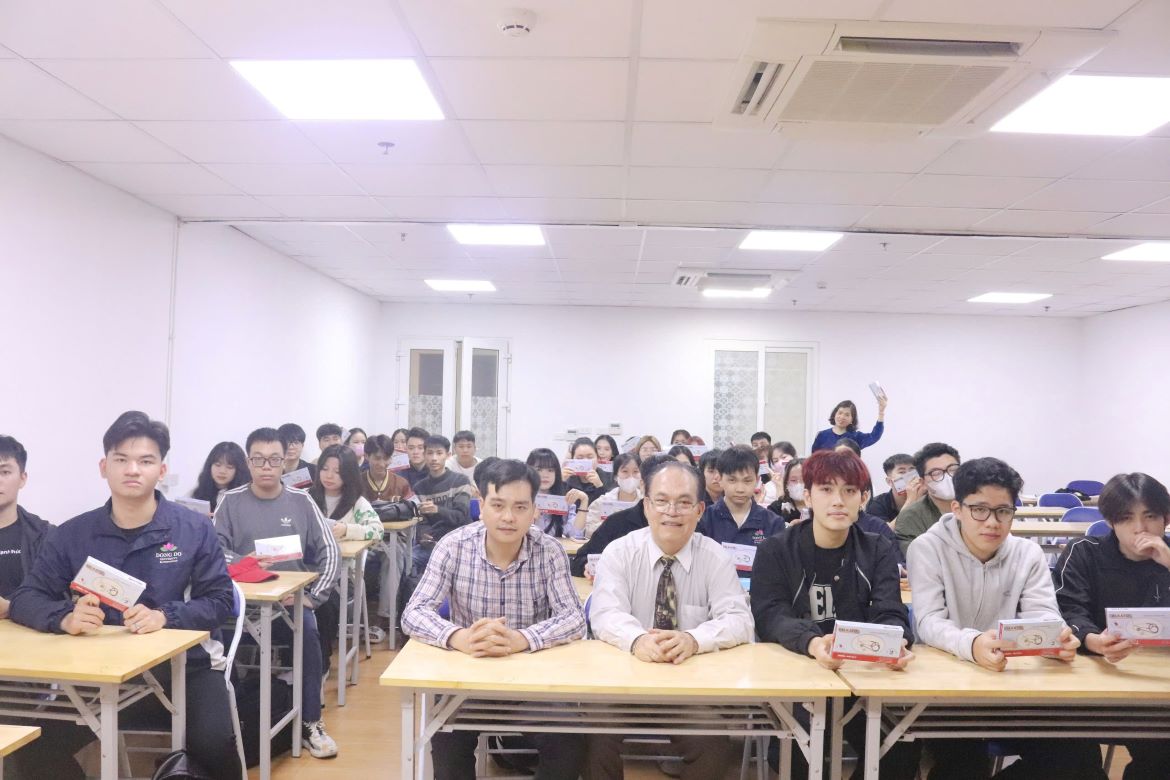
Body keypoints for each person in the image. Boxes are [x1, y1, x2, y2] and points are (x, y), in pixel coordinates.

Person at [7, 412, 241, 780]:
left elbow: (220, 601)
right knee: (33, 748)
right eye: (121, 459)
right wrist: (65, 617)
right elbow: (26, 598)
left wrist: (165, 616)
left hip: (184, 670)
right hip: (99, 676)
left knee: (213, 744)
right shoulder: (73, 534)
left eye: (145, 461)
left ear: (161, 470)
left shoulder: (193, 528)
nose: (132, 470)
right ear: (104, 467)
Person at [907, 457, 1103, 780]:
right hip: (950, 692)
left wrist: (1056, 638)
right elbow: (928, 622)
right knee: (962, 767)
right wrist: (973, 645)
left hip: (1019, 688)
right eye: (979, 510)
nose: (992, 522)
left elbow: (1044, 614)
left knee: (1078, 754)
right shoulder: (928, 548)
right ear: (957, 509)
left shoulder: (1027, 554)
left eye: (1003, 511)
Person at [401, 459, 587, 780]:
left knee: (569, 740)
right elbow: (414, 612)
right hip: (465, 682)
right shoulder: (453, 546)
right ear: (481, 504)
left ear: (534, 510)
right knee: (447, 743)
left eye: (520, 507)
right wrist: (459, 637)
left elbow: (574, 617)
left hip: (531, 682)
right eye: (498, 505)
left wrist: (522, 639)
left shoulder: (549, 551)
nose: (508, 517)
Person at [751, 449, 918, 779]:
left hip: (862, 678)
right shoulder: (776, 549)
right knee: (798, 756)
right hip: (798, 676)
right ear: (808, 496)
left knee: (900, 752)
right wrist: (813, 643)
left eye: (849, 490)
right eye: (826, 489)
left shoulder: (877, 548)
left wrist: (893, 642)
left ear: (862, 498)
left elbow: (891, 611)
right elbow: (770, 616)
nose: (838, 501)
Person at [587, 457, 753, 779]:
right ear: (647, 506)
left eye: (684, 503)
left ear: (700, 510)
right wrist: (637, 640)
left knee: (714, 741)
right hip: (622, 684)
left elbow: (739, 619)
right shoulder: (619, 552)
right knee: (593, 732)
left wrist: (694, 639)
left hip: (689, 687)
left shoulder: (715, 557)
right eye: (661, 501)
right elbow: (605, 613)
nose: (671, 512)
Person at [214, 427, 341, 759]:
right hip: (243, 605)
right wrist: (244, 562)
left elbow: (331, 551)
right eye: (258, 459)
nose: (266, 466)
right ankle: (228, 723)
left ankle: (311, 721)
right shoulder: (230, 500)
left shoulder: (302, 501)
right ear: (248, 462)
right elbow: (214, 551)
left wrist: (313, 597)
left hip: (290, 604)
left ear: (285, 461)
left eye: (274, 459)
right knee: (214, 638)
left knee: (309, 634)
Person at [1054, 472, 1170, 779]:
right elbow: (1067, 609)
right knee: (1073, 761)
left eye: (1150, 516)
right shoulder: (1084, 552)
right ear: (1110, 522)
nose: (1140, 528)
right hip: (1094, 683)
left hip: (1159, 688)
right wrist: (1092, 640)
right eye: (1126, 518)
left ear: (1166, 519)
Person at [308, 444, 384, 674]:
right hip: (308, 571)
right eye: (325, 469)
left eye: (337, 471)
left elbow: (377, 530)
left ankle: (320, 664)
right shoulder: (307, 498)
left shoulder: (356, 503)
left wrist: (347, 529)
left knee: (324, 603)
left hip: (342, 576)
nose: (329, 476)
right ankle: (298, 661)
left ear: (349, 474)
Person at [570, 454, 679, 578]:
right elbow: (579, 561)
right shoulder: (617, 523)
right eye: (662, 486)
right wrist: (589, 566)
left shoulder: (688, 523)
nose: (670, 493)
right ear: (643, 485)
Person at [696, 446, 783, 576]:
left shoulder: (773, 523)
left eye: (747, 481)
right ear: (720, 479)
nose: (740, 489)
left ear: (757, 480)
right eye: (732, 480)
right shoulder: (704, 520)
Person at [0, 436, 49, 620]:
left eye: (4, 472)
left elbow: (59, 597)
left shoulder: (45, 536)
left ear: (22, 478)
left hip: (27, 634)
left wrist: (13, 608)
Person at [411, 435, 474, 577]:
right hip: (433, 545)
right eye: (430, 453)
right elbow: (421, 521)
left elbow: (460, 516)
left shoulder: (460, 481)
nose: (434, 458)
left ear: (448, 455)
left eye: (439, 453)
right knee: (406, 561)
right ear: (424, 455)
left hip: (460, 543)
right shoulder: (419, 488)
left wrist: (437, 510)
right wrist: (423, 535)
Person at [894, 442, 960, 556]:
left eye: (953, 469)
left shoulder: (980, 505)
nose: (948, 477)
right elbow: (917, 559)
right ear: (923, 482)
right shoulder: (910, 517)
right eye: (936, 473)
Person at [527, 447, 589, 539]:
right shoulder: (522, 500)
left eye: (550, 470)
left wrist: (584, 500)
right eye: (539, 469)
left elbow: (575, 534)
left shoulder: (564, 500)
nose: (545, 475)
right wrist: (531, 519)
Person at [584, 452, 642, 538]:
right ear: (615, 476)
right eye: (625, 471)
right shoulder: (603, 502)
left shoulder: (647, 502)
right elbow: (588, 531)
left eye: (635, 471)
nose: (631, 476)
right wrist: (611, 522)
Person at [190, 441, 250, 513]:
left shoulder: (246, 497)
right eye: (217, 465)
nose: (222, 471)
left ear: (239, 470)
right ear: (210, 466)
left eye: (229, 467)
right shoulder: (198, 492)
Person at [811, 397, 887, 452]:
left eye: (847, 415)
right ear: (834, 414)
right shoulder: (822, 435)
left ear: (852, 420)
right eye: (840, 413)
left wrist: (881, 412)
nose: (842, 417)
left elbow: (874, 436)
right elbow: (814, 458)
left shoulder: (856, 437)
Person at [362, 434, 414, 503]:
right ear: (366, 456)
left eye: (386, 458)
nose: (382, 464)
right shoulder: (357, 483)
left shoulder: (401, 484)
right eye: (377, 458)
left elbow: (411, 507)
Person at [867, 453, 916, 523]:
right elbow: (885, 529)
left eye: (912, 471)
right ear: (889, 481)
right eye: (902, 472)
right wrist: (910, 500)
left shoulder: (926, 496)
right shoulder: (876, 504)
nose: (909, 476)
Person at [562, 436, 612, 504]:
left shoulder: (610, 478)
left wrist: (599, 486)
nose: (585, 461)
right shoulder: (567, 479)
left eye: (590, 457)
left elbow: (610, 506)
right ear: (572, 459)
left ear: (597, 458)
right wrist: (561, 482)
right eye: (580, 458)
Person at [769, 458, 808, 523]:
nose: (799, 484)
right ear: (786, 483)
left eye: (804, 479)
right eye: (793, 480)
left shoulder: (820, 505)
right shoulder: (776, 508)